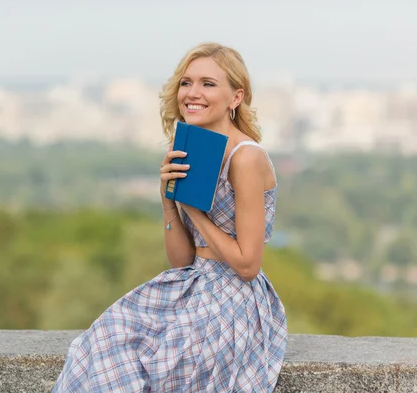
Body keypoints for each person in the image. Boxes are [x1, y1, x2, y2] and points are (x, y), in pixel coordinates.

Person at [52, 42, 288, 392]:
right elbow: (182, 259)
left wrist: (196, 211)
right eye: (186, 82)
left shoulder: (245, 158)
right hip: (194, 283)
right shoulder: (193, 149)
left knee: (168, 362)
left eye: (208, 83)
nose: (193, 93)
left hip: (234, 298)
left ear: (235, 98)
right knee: (103, 341)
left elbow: (248, 264)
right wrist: (169, 202)